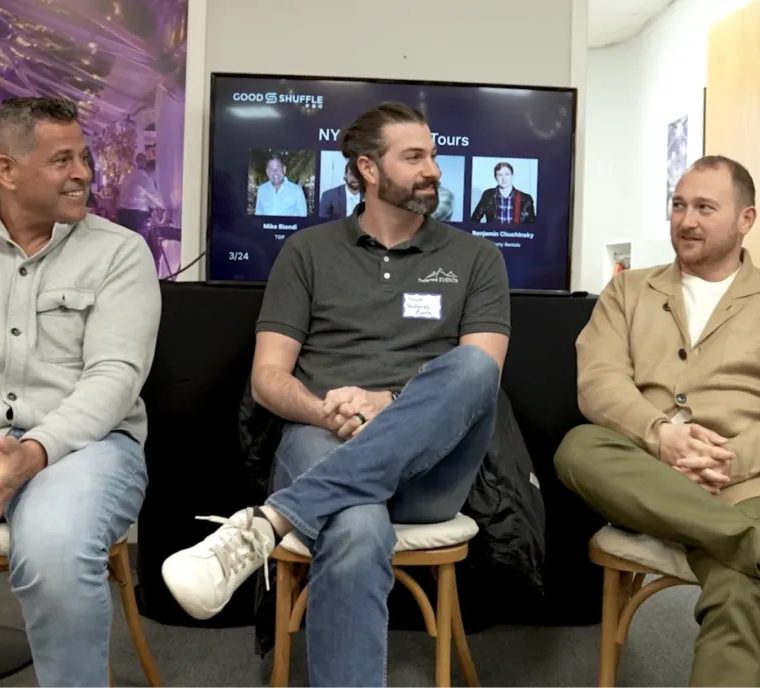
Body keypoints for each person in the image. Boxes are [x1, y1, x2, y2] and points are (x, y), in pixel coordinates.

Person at [161, 101, 510, 688]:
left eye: (433, 155)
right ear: (369, 170)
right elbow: (268, 378)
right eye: (415, 156)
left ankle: (270, 522)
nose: (434, 169)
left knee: (473, 367)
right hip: (323, 438)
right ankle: (294, 512)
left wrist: (387, 405)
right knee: (355, 525)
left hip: (433, 471)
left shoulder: (476, 258)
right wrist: (327, 408)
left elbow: (482, 378)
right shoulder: (308, 252)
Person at [555, 155, 760, 688]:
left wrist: (733, 458)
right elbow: (597, 383)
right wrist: (661, 436)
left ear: (746, 219)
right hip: (646, 471)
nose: (686, 220)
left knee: (739, 586)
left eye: (704, 208)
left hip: (756, 479)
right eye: (678, 205)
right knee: (578, 448)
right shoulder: (627, 291)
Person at [0, 97, 160, 685]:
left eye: (83, 157)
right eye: (62, 159)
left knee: (56, 556)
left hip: (85, 451)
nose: (84, 172)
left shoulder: (120, 252)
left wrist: (33, 451)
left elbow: (114, 380)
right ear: (7, 171)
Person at [470, 161, 535, 224]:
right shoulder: (488, 195)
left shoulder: (526, 198)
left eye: (507, 174)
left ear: (512, 175)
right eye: (500, 175)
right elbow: (474, 220)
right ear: (495, 177)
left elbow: (533, 225)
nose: (504, 179)